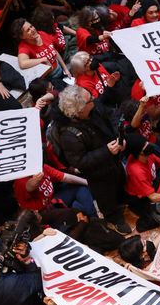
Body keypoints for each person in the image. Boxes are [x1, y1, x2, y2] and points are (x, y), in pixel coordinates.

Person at [51, 85, 130, 233]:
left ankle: (123, 201)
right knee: (106, 197)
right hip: (98, 173)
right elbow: (79, 161)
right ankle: (114, 218)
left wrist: (120, 137)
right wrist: (106, 151)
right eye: (90, 99)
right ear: (79, 109)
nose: (94, 98)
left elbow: (111, 116)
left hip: (114, 158)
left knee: (120, 181)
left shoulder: (93, 108)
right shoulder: (68, 134)